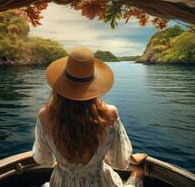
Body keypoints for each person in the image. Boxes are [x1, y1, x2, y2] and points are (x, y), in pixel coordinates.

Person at [33, 47, 146, 187]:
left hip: (62, 182)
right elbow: (120, 162)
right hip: (100, 182)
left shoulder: (45, 115)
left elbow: (43, 159)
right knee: (139, 173)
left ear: (61, 83)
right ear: (94, 84)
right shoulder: (110, 113)